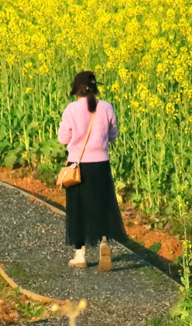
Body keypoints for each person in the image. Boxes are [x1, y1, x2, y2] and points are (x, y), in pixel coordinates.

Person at [57, 70, 127, 271]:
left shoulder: (71, 110)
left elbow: (63, 138)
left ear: (76, 92)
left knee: (77, 209)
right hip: (101, 165)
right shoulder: (106, 107)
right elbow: (113, 135)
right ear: (94, 89)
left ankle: (80, 255)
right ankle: (104, 242)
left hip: (77, 166)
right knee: (101, 205)